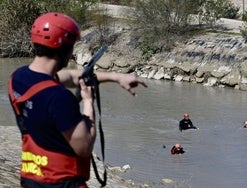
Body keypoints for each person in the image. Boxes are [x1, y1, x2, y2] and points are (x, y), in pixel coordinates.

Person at [8, 12, 147, 188]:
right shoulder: (59, 97)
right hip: (63, 182)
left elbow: (66, 77)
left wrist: (116, 76)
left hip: (31, 178)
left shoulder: (17, 79)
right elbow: (84, 146)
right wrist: (88, 102)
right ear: (64, 49)